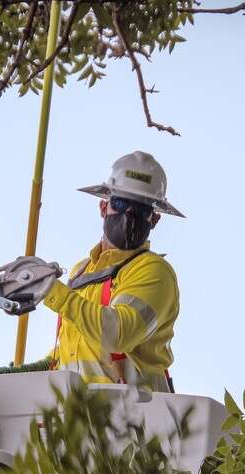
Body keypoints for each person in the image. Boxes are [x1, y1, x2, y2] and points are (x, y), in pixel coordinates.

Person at [41, 151, 184, 392]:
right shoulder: (81, 272)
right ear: (103, 207)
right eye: (120, 204)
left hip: (137, 411)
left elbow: (117, 334)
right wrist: (33, 369)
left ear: (154, 219)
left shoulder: (154, 271)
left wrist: (50, 291)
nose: (129, 214)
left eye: (140, 210)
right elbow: (75, 349)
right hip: (79, 408)